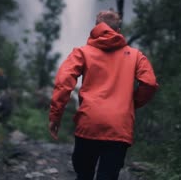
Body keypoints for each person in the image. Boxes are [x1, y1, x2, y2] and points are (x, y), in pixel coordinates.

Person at [48, 10, 159, 180]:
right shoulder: (136, 56)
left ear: (96, 28)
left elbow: (63, 81)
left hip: (89, 123)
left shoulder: (82, 52)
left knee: (83, 174)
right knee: (108, 175)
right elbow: (150, 83)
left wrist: (56, 116)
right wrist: (131, 103)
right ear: (119, 30)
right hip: (119, 126)